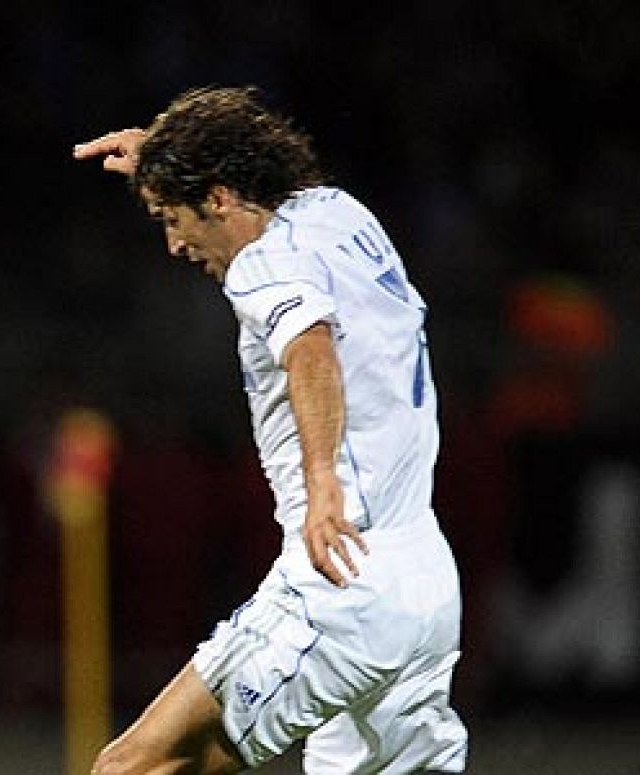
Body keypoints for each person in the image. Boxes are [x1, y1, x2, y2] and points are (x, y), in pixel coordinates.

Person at [73, 86, 469, 773]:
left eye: (173, 216)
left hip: (345, 575)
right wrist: (167, 160)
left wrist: (322, 486)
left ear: (220, 197)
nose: (174, 243)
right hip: (426, 581)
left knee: (135, 766)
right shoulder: (340, 214)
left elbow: (309, 345)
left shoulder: (263, 263)